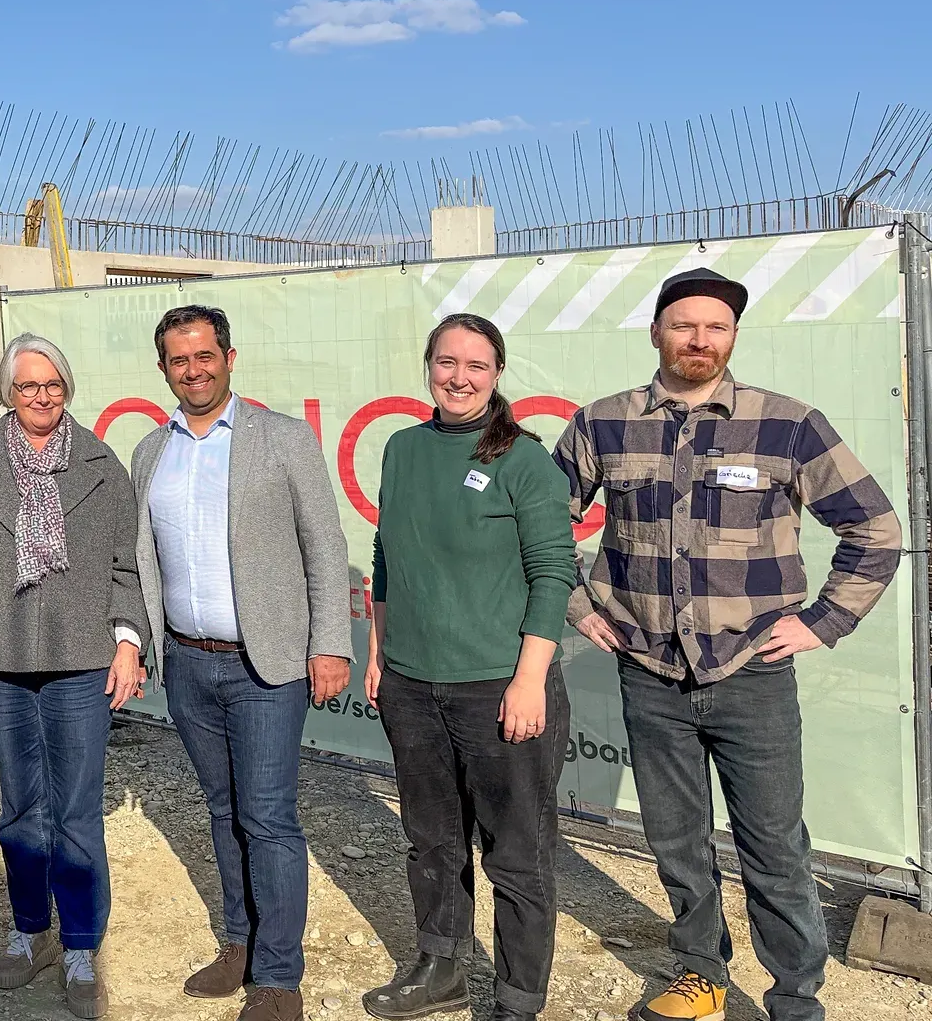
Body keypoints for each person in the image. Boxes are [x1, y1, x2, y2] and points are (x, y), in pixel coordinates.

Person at [557, 267, 902, 1021]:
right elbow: (542, 525)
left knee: (775, 848)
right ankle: (700, 976)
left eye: (715, 327)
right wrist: (578, 602)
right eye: (684, 325)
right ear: (657, 332)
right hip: (648, 672)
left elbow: (876, 529)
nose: (699, 340)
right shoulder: (603, 424)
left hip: (751, 674)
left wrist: (822, 621)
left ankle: (793, 999)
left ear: (733, 337)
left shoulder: (789, 425)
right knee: (677, 841)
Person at [129, 304, 352, 1021]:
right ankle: (240, 940)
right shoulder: (150, 453)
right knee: (223, 810)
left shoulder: (282, 439)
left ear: (229, 356)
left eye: (204, 355)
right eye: (178, 360)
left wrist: (330, 644)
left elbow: (324, 546)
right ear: (163, 367)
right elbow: (140, 562)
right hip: (189, 666)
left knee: (268, 817)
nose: (193, 370)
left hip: (267, 666)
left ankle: (279, 976)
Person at [359, 314, 576, 1021]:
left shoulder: (525, 462)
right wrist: (378, 653)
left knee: (517, 854)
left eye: (475, 366)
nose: (459, 377)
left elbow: (553, 575)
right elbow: (386, 554)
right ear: (428, 367)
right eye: (446, 362)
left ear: (497, 374)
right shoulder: (402, 448)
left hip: (499, 688)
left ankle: (516, 1001)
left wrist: (529, 679)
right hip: (413, 686)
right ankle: (440, 969)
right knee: (430, 838)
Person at [0, 334, 149, 1020]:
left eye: (52, 385)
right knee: (18, 809)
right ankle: (28, 929)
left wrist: (128, 642)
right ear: (9, 395)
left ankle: (79, 943)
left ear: (67, 388)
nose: (40, 397)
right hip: (5, 662)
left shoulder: (101, 466)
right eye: (26, 386)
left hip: (82, 662)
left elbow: (128, 565)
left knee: (75, 811)